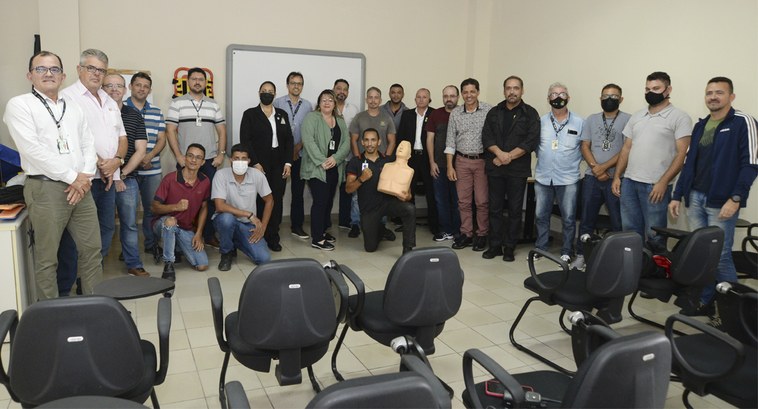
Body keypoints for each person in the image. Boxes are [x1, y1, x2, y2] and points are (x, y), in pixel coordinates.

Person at [3, 50, 102, 299]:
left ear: (63, 75)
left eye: (54, 69)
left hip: (81, 189)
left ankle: (95, 306)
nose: (48, 74)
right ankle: (51, 315)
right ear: (30, 75)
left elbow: (88, 144)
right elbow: (32, 151)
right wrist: (73, 178)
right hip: (46, 189)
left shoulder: (74, 108)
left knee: (92, 251)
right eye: (41, 69)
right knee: (48, 258)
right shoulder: (20, 105)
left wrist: (85, 177)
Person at [669, 77, 758, 318]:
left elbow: (750, 165)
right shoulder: (701, 125)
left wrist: (736, 197)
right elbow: (689, 165)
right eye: (709, 93)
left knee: (720, 257)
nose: (713, 97)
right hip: (695, 199)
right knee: (703, 255)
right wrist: (677, 195)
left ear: (732, 96)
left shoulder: (743, 122)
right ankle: (707, 301)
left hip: (722, 202)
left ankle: (737, 314)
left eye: (719, 92)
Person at [612, 71, 692, 252]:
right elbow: (626, 148)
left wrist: (663, 182)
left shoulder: (680, 117)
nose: (650, 92)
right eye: (647, 89)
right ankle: (633, 270)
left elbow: (681, 154)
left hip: (655, 186)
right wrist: (618, 176)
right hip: (630, 182)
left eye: (656, 88)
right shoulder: (637, 116)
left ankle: (655, 273)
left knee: (654, 235)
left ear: (668, 89)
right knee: (630, 233)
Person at [61, 49, 127, 261]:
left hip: (108, 179)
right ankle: (72, 284)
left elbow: (122, 138)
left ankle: (91, 278)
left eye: (101, 70)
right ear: (79, 69)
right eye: (91, 68)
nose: (97, 74)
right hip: (82, 180)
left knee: (106, 228)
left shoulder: (108, 100)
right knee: (77, 235)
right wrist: (102, 164)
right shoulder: (67, 97)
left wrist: (116, 162)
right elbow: (76, 139)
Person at [165, 67, 226, 246]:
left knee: (210, 200)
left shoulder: (213, 104)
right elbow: (170, 130)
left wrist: (221, 154)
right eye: (194, 79)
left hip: (209, 161)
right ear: (188, 82)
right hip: (186, 161)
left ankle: (207, 235)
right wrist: (178, 156)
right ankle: (182, 237)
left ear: (205, 82)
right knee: (183, 201)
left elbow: (222, 131)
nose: (197, 82)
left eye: (201, 79)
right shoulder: (177, 103)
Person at [482, 76, 540, 262]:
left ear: (522, 91)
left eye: (516, 88)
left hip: (518, 170)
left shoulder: (530, 113)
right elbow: (486, 137)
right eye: (508, 88)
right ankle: (495, 245)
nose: (512, 91)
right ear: (504, 90)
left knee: (515, 210)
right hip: (496, 169)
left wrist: (508, 157)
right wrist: (500, 154)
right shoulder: (494, 112)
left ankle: (509, 247)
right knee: (495, 209)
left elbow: (530, 141)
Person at [573, 84, 630, 269]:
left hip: (616, 179)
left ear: (621, 99)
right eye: (605, 95)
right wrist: (595, 168)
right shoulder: (592, 119)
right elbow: (585, 146)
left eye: (614, 96)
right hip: (591, 178)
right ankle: (581, 256)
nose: (609, 99)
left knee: (617, 221)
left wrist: (604, 168)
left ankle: (617, 261)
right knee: (586, 220)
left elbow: (626, 150)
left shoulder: (629, 120)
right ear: (600, 98)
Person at [102, 73, 149, 276]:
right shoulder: (95, 112)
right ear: (102, 88)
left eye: (118, 86)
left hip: (128, 179)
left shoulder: (133, 114)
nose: (114, 89)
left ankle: (134, 264)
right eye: (109, 85)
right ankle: (93, 269)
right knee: (103, 226)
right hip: (99, 178)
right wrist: (111, 174)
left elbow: (141, 149)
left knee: (129, 224)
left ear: (125, 89)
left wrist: (121, 173)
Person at [240, 81, 293, 252]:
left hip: (279, 163)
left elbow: (289, 140)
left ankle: (272, 236)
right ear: (259, 93)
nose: (267, 93)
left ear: (275, 94)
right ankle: (257, 233)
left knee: (275, 200)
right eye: (264, 91)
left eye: (270, 91)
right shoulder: (250, 114)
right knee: (259, 200)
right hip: (258, 164)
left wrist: (288, 162)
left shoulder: (282, 114)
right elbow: (245, 140)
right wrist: (255, 162)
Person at [533, 82, 584, 263]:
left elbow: (584, 149)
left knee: (569, 218)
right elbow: (536, 147)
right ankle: (541, 247)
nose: (558, 97)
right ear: (548, 99)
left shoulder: (579, 122)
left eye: (562, 94)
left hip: (568, 178)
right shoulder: (540, 122)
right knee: (541, 216)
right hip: (543, 177)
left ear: (568, 98)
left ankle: (567, 250)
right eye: (554, 94)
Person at [346, 129, 416, 253]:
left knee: (409, 209)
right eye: (366, 140)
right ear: (362, 142)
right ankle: (381, 230)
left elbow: (407, 191)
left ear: (379, 142)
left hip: (388, 204)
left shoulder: (389, 161)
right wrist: (361, 179)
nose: (370, 143)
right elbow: (348, 189)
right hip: (369, 209)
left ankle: (408, 248)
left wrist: (406, 197)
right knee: (370, 248)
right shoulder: (356, 161)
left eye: (373, 140)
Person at [444, 78, 492, 251]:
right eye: (465, 92)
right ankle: (466, 234)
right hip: (462, 161)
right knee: (463, 202)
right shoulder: (455, 113)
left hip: (482, 162)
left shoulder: (489, 110)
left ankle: (482, 234)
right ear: (461, 94)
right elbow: (450, 142)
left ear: (478, 92)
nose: (469, 95)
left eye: (472, 91)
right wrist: (450, 166)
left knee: (481, 201)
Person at [151, 144, 211, 281]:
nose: (193, 160)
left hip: (185, 228)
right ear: (185, 158)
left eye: (198, 158)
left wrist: (199, 233)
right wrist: (175, 207)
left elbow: (204, 207)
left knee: (202, 265)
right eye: (190, 156)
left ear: (202, 162)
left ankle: (174, 245)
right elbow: (154, 207)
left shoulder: (205, 181)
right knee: (171, 222)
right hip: (163, 223)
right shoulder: (170, 178)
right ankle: (168, 264)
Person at [301, 89, 350, 250]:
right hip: (317, 168)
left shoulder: (340, 120)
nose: (327, 102)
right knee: (320, 201)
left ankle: (322, 231)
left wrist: (335, 159)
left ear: (335, 103)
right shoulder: (311, 118)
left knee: (328, 201)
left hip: (335, 167)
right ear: (319, 103)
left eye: (330, 99)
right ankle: (317, 239)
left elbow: (346, 143)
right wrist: (322, 161)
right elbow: (308, 141)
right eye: (324, 100)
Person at [125, 72, 167, 258]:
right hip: (128, 172)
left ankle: (151, 244)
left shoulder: (156, 112)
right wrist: (136, 160)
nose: (142, 89)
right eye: (138, 85)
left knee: (152, 209)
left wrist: (148, 157)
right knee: (128, 213)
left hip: (152, 169)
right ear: (131, 87)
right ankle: (129, 248)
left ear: (149, 90)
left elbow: (161, 140)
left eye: (145, 86)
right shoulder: (119, 108)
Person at [346, 87, 397, 238]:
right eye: (370, 97)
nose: (373, 100)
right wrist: (358, 159)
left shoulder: (386, 117)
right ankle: (355, 224)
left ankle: (381, 226)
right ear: (366, 99)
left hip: (380, 162)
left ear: (380, 100)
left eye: (376, 98)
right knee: (357, 195)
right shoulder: (359, 117)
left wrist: (385, 160)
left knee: (381, 193)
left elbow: (392, 141)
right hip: (363, 161)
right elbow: (354, 140)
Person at [212, 144, 273, 270]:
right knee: (227, 220)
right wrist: (248, 214)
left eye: (244, 158)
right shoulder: (221, 175)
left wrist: (263, 227)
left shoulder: (257, 175)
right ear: (231, 160)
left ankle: (235, 241)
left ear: (249, 161)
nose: (240, 162)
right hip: (226, 220)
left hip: (247, 225)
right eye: (236, 158)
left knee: (264, 259)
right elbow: (219, 206)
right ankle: (226, 253)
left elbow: (269, 200)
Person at [273, 72, 312, 240]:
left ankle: (297, 226)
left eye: (299, 83)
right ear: (287, 85)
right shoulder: (277, 103)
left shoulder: (308, 105)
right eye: (293, 83)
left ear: (302, 86)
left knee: (298, 192)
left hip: (300, 153)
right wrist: (288, 151)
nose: (296, 86)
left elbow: (310, 130)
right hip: (281, 156)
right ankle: (274, 226)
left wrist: (298, 147)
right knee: (278, 192)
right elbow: (273, 130)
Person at [397, 88, 438, 237]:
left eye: (424, 97)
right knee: (408, 191)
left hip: (428, 158)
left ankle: (435, 225)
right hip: (410, 157)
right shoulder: (407, 115)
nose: (421, 99)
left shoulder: (434, 114)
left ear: (429, 99)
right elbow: (400, 137)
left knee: (431, 191)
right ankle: (408, 223)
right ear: (415, 99)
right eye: (418, 97)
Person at [426, 85, 461, 242]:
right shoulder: (435, 114)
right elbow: (430, 139)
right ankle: (446, 230)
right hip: (439, 164)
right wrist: (432, 162)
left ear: (457, 97)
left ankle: (458, 231)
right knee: (441, 199)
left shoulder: (462, 113)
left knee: (458, 199)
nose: (449, 99)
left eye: (452, 96)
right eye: (446, 95)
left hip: (459, 165)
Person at [334, 78, 360, 234]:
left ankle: (345, 220)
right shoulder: (327, 106)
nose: (341, 92)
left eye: (344, 89)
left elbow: (356, 133)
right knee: (330, 189)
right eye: (339, 88)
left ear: (348, 92)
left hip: (349, 156)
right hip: (331, 157)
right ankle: (326, 222)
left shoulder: (354, 109)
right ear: (334, 89)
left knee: (347, 189)